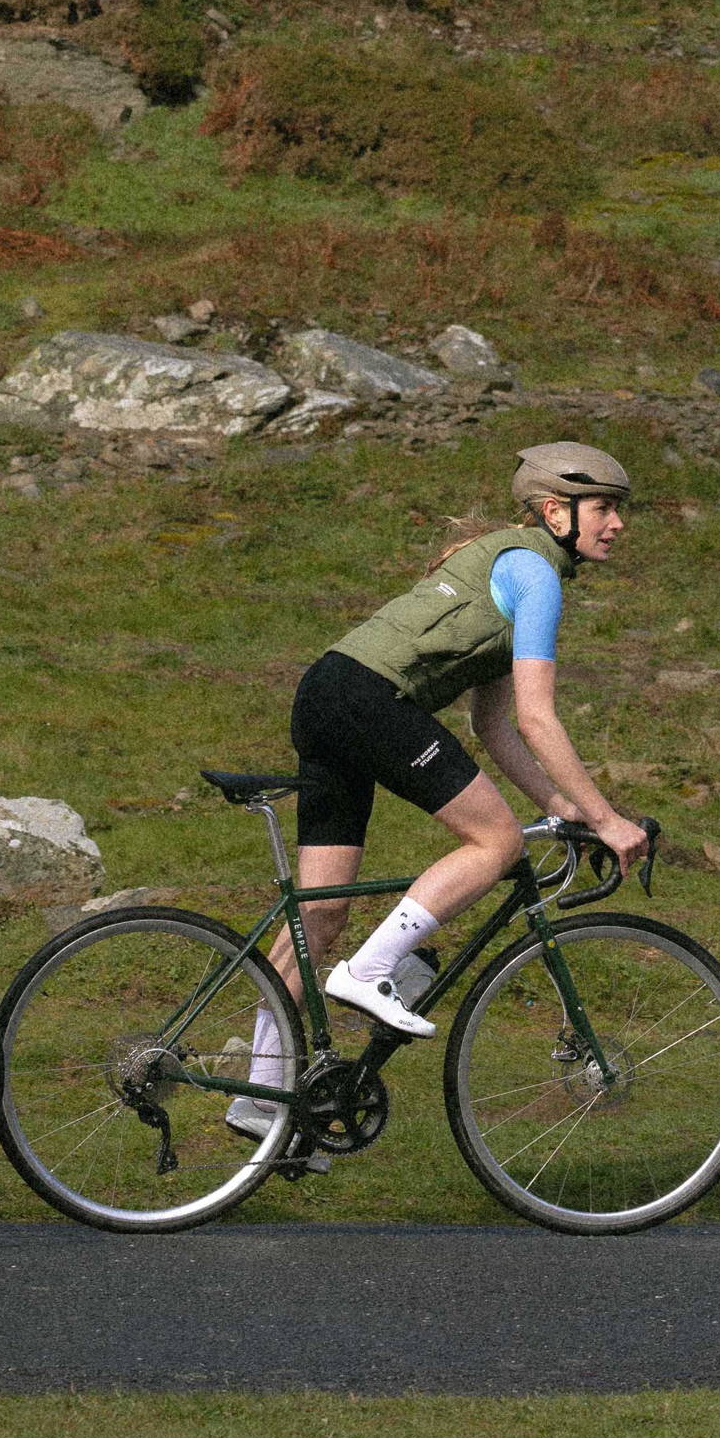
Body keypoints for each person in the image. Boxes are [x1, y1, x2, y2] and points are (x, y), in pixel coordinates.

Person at [234, 442, 649, 1133]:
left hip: (327, 691)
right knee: (495, 840)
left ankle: (259, 1095)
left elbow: (494, 723)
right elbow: (536, 715)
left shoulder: (509, 560)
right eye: (604, 508)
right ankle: (371, 973)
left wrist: (561, 804)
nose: (617, 524)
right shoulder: (537, 575)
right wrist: (608, 818)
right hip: (368, 699)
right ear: (556, 511)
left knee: (320, 919)